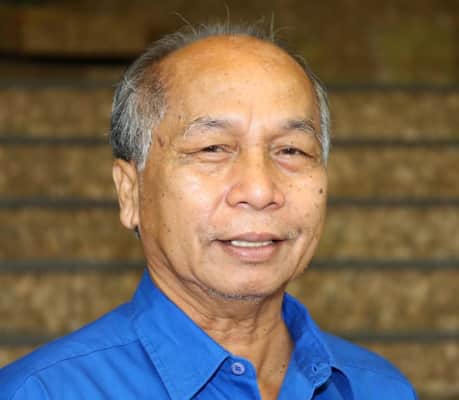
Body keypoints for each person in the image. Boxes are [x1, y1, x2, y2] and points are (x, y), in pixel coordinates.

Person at [0, 22, 417, 399]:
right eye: (213, 148)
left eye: (291, 150)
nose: (259, 190)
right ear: (130, 192)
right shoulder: (42, 392)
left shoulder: (378, 388)